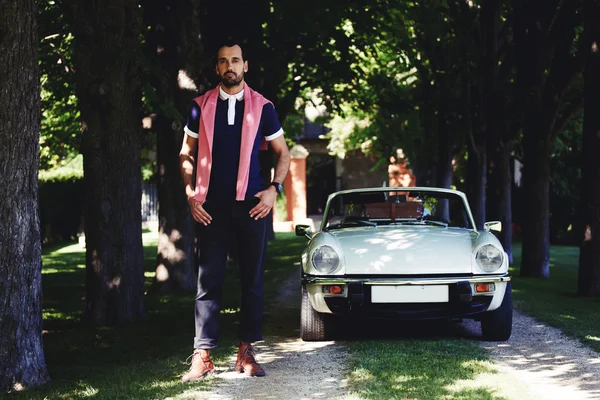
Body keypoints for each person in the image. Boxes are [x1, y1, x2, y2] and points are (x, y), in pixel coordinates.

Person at [179, 41, 290, 382]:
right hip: (210, 208)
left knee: (251, 281)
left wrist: (274, 190)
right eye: (223, 60)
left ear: (246, 66)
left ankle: (245, 353)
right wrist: (190, 194)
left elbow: (283, 153)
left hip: (251, 207)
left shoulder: (263, 107)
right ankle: (203, 356)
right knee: (208, 281)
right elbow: (186, 153)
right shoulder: (199, 107)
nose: (230, 66)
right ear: (217, 68)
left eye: (236, 60)